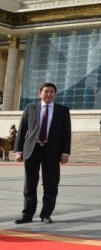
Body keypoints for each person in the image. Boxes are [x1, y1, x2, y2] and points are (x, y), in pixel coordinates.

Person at [14, 82, 72, 224]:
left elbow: (66, 133)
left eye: (52, 91)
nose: (49, 94)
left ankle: (46, 214)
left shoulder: (62, 110)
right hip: (31, 150)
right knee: (30, 185)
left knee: (51, 184)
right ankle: (27, 214)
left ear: (55, 94)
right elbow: (22, 130)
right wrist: (18, 150)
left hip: (52, 151)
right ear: (40, 93)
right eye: (46, 91)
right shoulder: (30, 108)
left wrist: (65, 152)